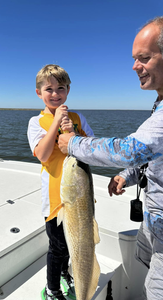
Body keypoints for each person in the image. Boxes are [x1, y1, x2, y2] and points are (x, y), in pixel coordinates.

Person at [58, 17, 163, 300]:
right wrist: (127, 176)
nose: (134, 66)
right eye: (134, 58)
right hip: (154, 223)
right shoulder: (158, 104)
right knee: (145, 272)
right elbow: (152, 155)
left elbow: (130, 149)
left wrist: (73, 144)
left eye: (144, 57)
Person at [27, 64, 94, 300]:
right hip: (55, 201)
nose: (55, 94)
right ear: (39, 93)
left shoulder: (78, 118)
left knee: (78, 243)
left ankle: (68, 273)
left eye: (61, 88)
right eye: (49, 89)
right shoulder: (36, 122)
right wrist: (56, 122)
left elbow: (92, 150)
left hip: (81, 196)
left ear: (68, 91)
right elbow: (43, 155)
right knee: (58, 247)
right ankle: (52, 289)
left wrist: (73, 133)